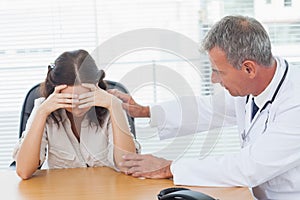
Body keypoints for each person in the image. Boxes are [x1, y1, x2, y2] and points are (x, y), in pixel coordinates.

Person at [109, 16, 300, 199]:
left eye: (218, 72)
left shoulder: (295, 103)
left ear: (248, 68)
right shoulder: (252, 88)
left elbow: (249, 167)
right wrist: (146, 111)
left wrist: (168, 168)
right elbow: (209, 109)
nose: (213, 80)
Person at [13, 49, 139, 180]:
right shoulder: (43, 109)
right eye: (70, 100)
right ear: (57, 91)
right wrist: (41, 113)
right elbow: (24, 171)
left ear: (96, 87)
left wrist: (115, 108)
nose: (77, 106)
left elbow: (128, 166)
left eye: (85, 98)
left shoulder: (111, 105)